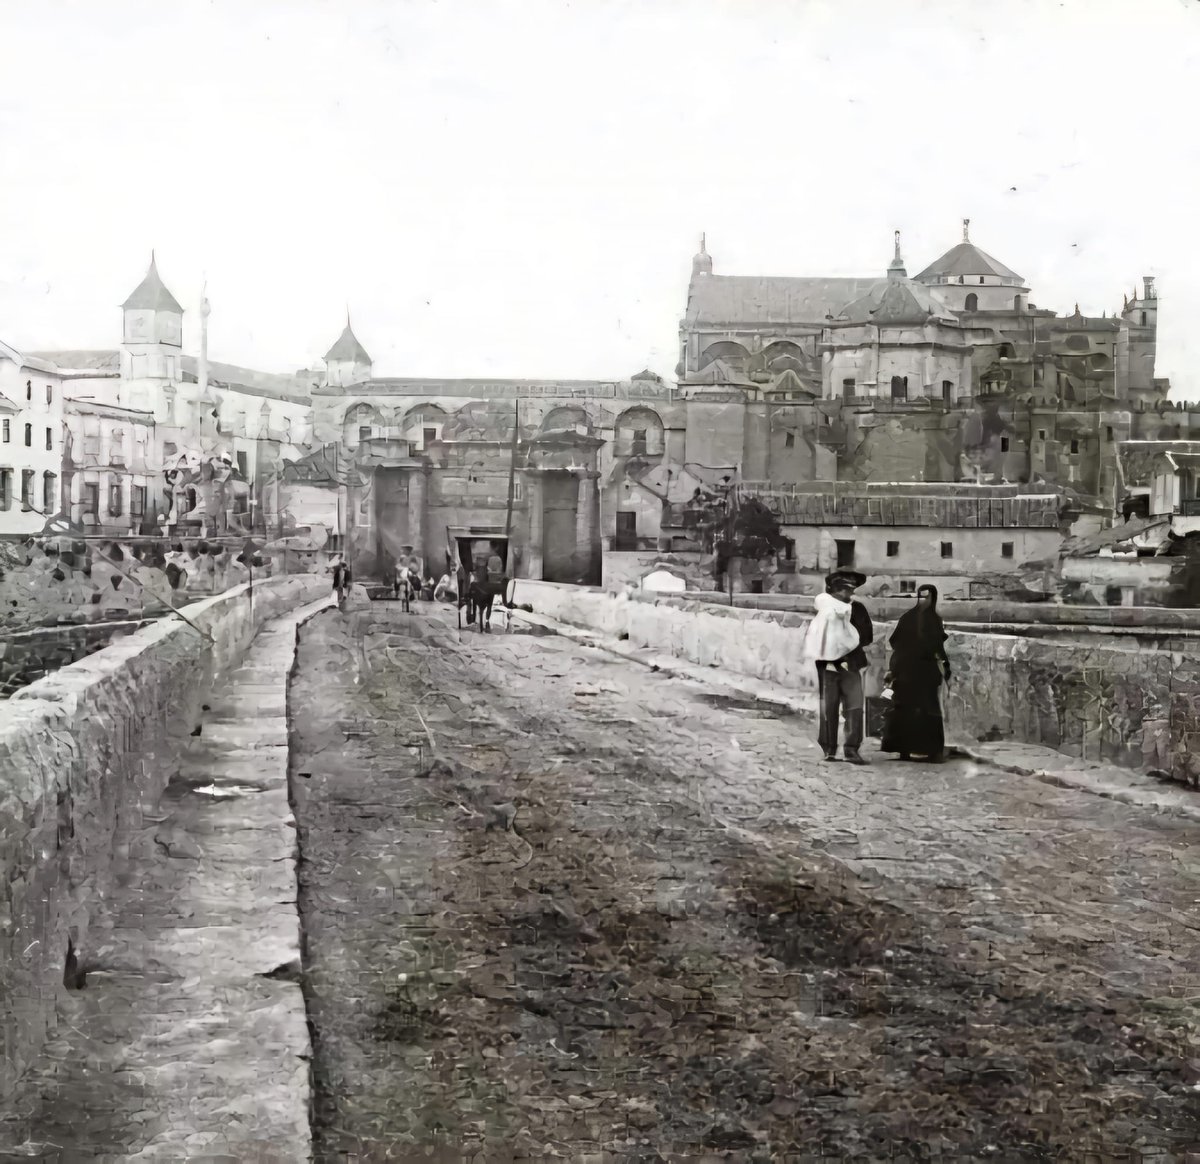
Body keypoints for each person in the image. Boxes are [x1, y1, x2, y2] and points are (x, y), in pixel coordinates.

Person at [803, 570, 873, 764]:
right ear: (834, 590)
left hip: (850, 663)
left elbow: (867, 635)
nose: (849, 593)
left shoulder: (857, 609)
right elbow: (816, 635)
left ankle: (851, 749)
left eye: (851, 588)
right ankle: (829, 749)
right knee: (828, 707)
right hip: (827, 665)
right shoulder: (824, 609)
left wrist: (847, 640)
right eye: (845, 589)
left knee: (855, 707)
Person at [880, 584, 951, 762]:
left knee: (922, 709)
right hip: (912, 670)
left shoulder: (925, 619)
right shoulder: (918, 618)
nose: (923, 602)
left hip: (919, 671)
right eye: (921, 598)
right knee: (911, 708)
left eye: (926, 598)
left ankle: (924, 750)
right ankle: (913, 750)